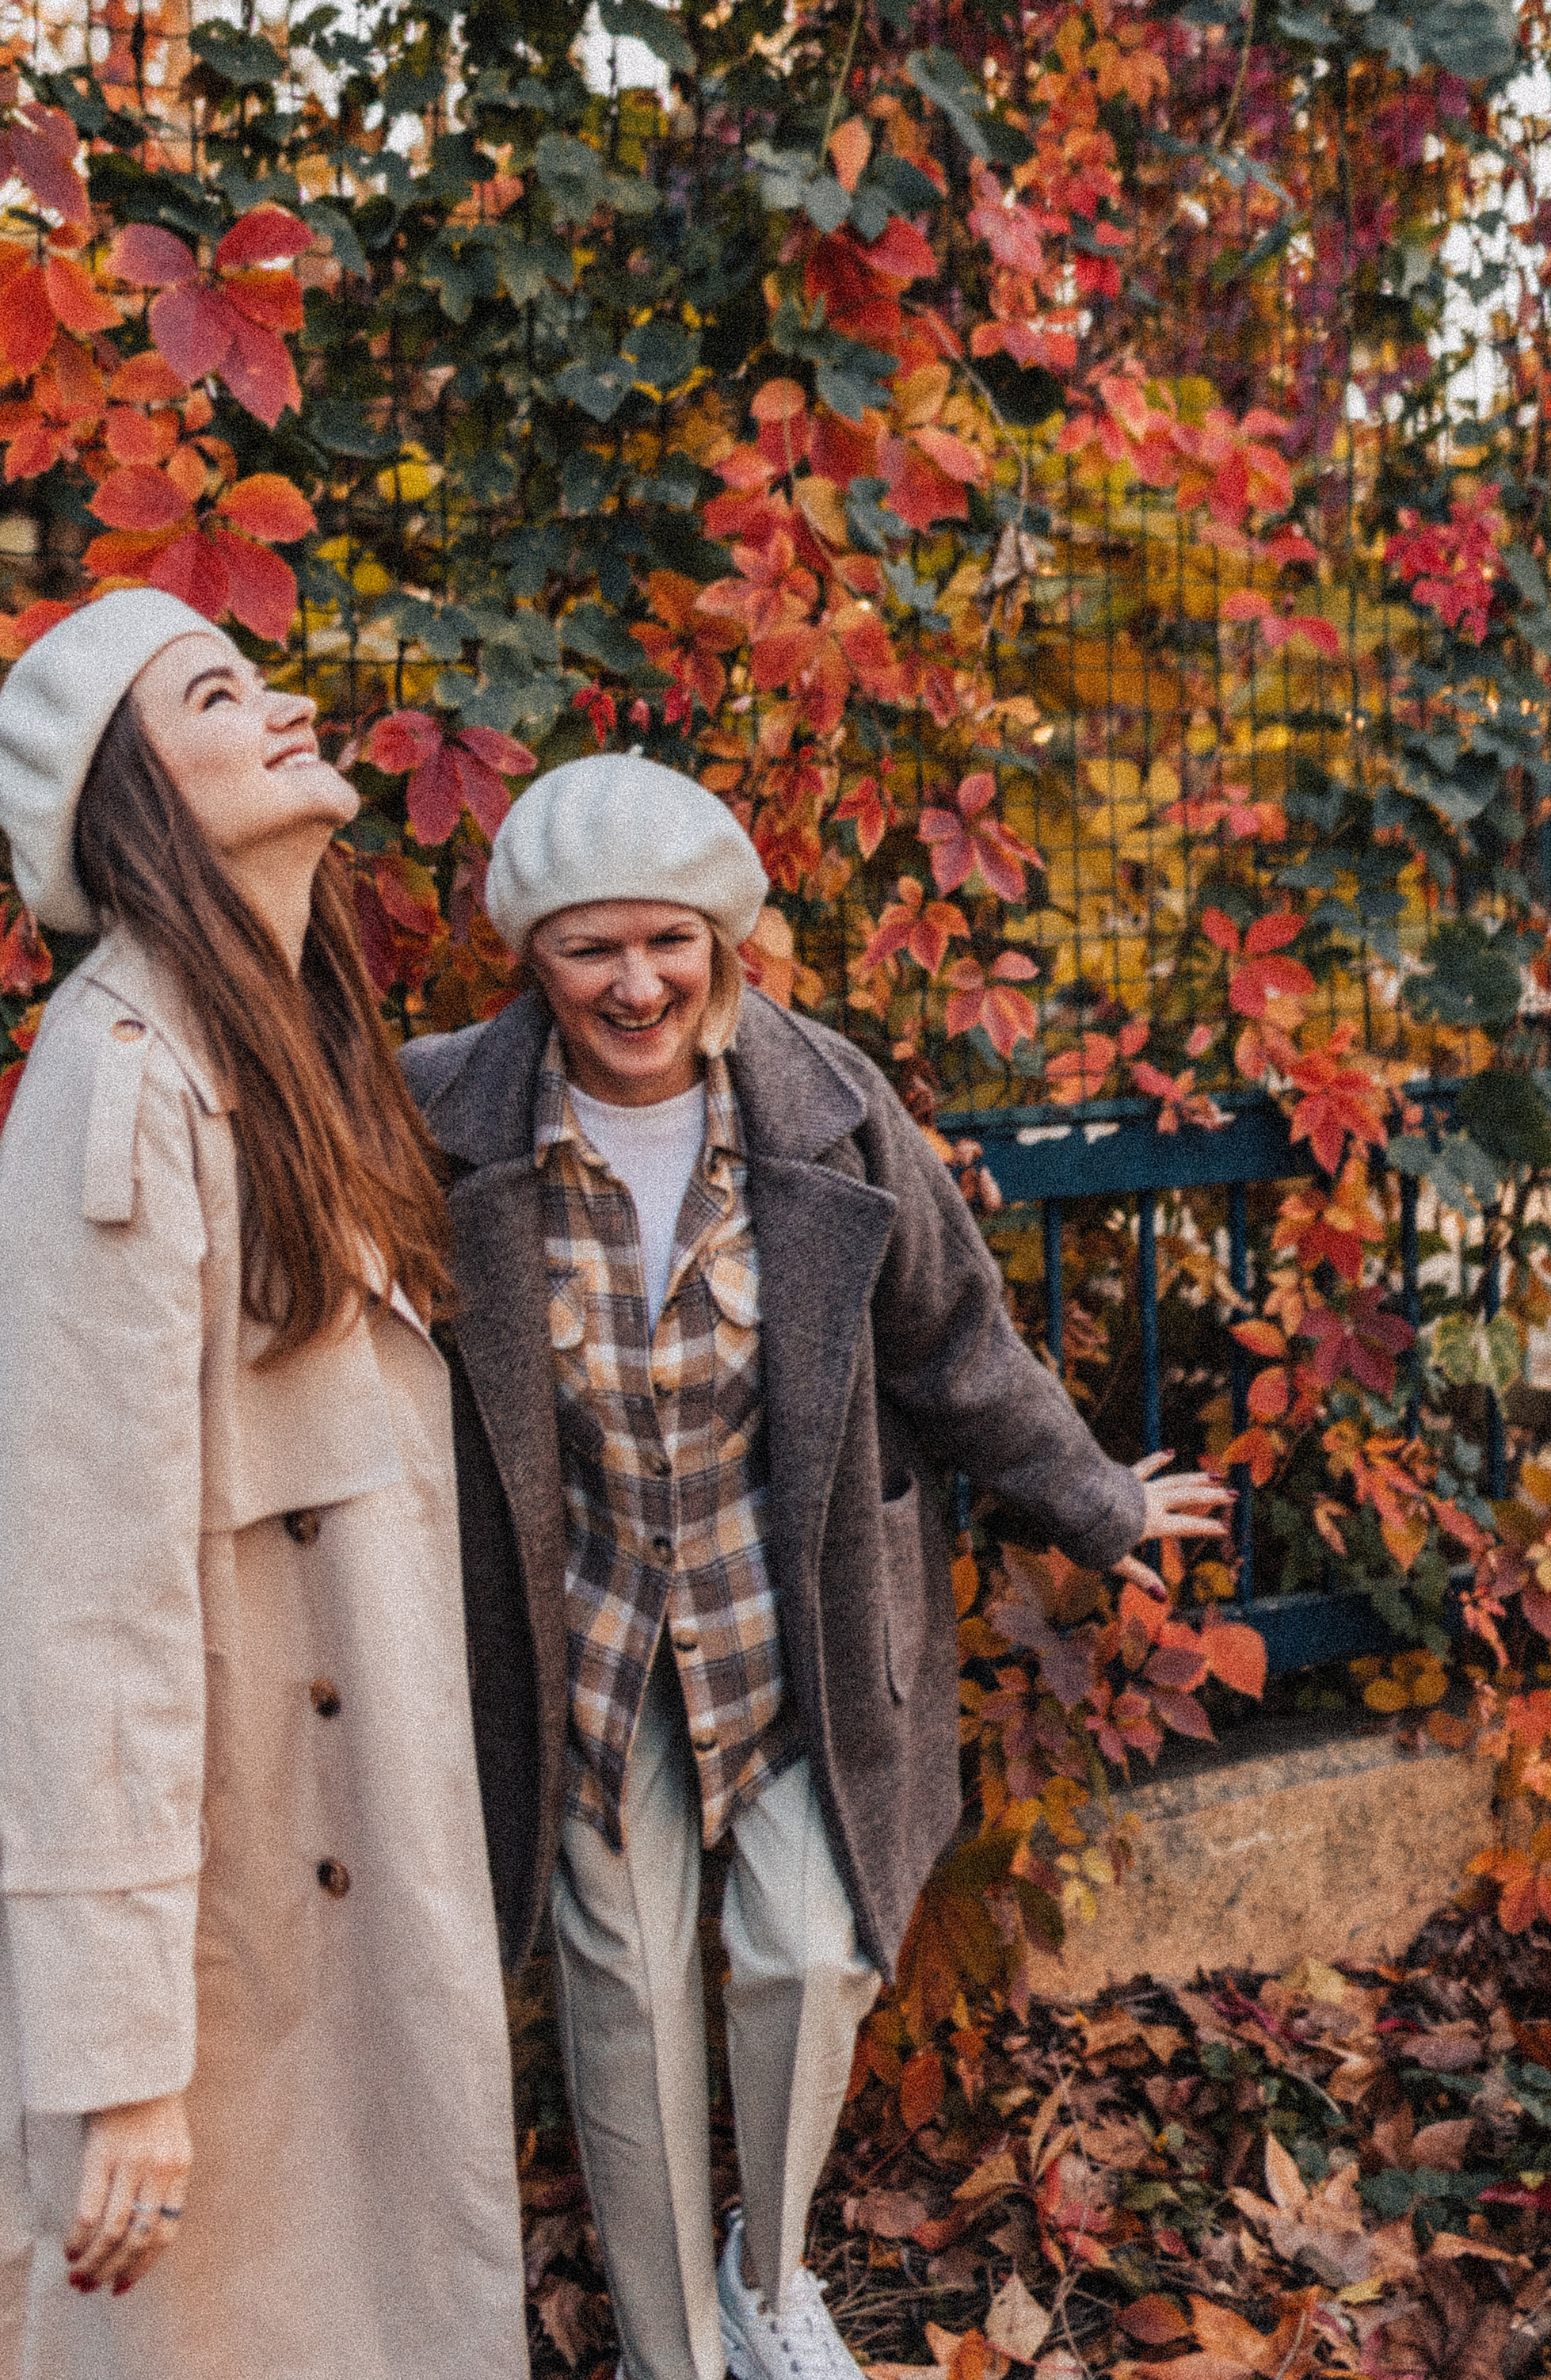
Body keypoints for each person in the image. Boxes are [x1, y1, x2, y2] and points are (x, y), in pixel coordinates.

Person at [0, 589, 530, 2380]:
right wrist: (113, 2065)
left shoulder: (270, 1036)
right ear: (133, 800)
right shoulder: (127, 1083)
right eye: (216, 692)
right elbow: (84, 1586)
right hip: (218, 1868)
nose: (280, 708)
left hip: (297, 1828)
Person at [402, 753, 1230, 2380]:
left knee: (810, 1945)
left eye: (667, 941)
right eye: (589, 948)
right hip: (577, 1644)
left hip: (788, 1614)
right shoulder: (438, 1122)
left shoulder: (825, 1110)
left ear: (721, 941)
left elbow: (952, 1342)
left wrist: (1095, 1505)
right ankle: (663, 2351)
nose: (633, 983)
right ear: (530, 956)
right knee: (624, 1999)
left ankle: (760, 2274)